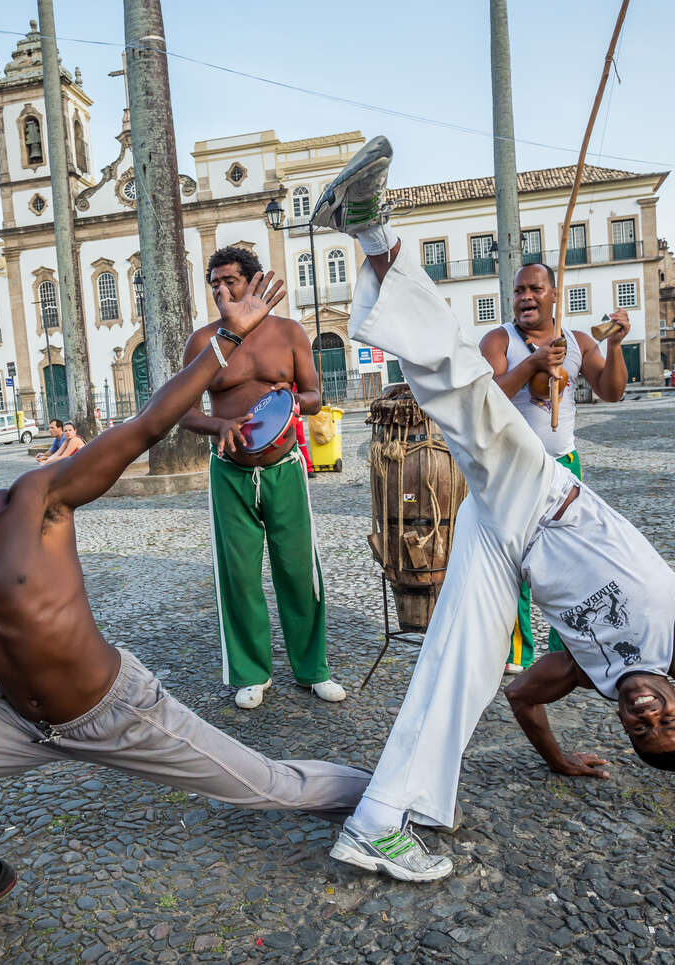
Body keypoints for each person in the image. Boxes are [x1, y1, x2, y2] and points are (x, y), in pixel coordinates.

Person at [0, 270, 372, 955]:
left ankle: (388, 793)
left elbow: (147, 424)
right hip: (14, 719)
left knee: (269, 785)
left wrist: (223, 341)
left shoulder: (39, 497)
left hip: (114, 711)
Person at [308, 134, 675, 883]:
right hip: (546, 497)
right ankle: (372, 229)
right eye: (668, 720)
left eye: (644, 732)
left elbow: (522, 693)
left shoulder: (598, 670)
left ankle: (377, 821)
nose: (648, 716)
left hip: (505, 540)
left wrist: (561, 759)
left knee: (464, 668)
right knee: (468, 397)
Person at [178, 245, 346, 710]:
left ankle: (313, 669)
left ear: (252, 284)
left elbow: (314, 394)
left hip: (284, 467)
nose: (220, 290)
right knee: (239, 575)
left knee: (298, 570)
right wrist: (220, 426)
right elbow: (185, 414)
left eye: (229, 281)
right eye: (213, 283)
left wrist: (292, 400)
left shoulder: (289, 333)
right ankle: (251, 673)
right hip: (230, 472)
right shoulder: (204, 342)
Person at [479, 267, 629, 674]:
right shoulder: (498, 340)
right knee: (515, 562)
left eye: (534, 289)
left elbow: (612, 392)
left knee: (570, 557)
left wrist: (614, 346)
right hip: (511, 467)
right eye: (518, 291)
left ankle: (568, 647)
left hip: (564, 464)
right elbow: (487, 400)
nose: (525, 297)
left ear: (553, 295)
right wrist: (532, 364)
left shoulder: (579, 342)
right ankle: (515, 653)